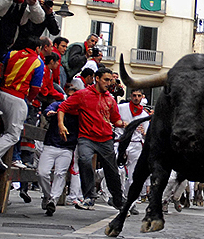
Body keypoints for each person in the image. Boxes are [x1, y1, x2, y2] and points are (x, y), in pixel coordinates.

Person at [57, 67, 126, 210]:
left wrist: (126, 124)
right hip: (86, 137)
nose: (109, 83)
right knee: (84, 160)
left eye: (110, 80)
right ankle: (89, 197)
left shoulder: (111, 99)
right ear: (97, 78)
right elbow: (62, 107)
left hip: (106, 139)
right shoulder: (83, 94)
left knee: (112, 170)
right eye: (106, 80)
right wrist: (61, 125)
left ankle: (118, 200)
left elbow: (116, 121)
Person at [0, 37, 45, 169]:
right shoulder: (38, 62)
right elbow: (36, 88)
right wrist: (30, 100)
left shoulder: (12, 54)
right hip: (18, 97)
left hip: (1, 94)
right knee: (13, 135)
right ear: (37, 48)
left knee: (5, 128)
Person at [37, 84, 79, 216]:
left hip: (67, 148)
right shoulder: (58, 105)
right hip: (51, 144)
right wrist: (48, 112)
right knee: (41, 172)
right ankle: (47, 195)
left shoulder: (80, 111)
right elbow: (49, 109)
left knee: (60, 174)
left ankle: (53, 200)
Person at [115, 89, 150, 215]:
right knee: (117, 171)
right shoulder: (121, 108)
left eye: (139, 96)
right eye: (134, 95)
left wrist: (143, 132)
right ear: (130, 96)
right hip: (120, 142)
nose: (136, 98)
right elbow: (113, 120)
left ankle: (130, 202)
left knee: (133, 177)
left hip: (136, 145)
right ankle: (114, 195)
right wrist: (121, 124)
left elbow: (147, 134)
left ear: (142, 97)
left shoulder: (144, 115)